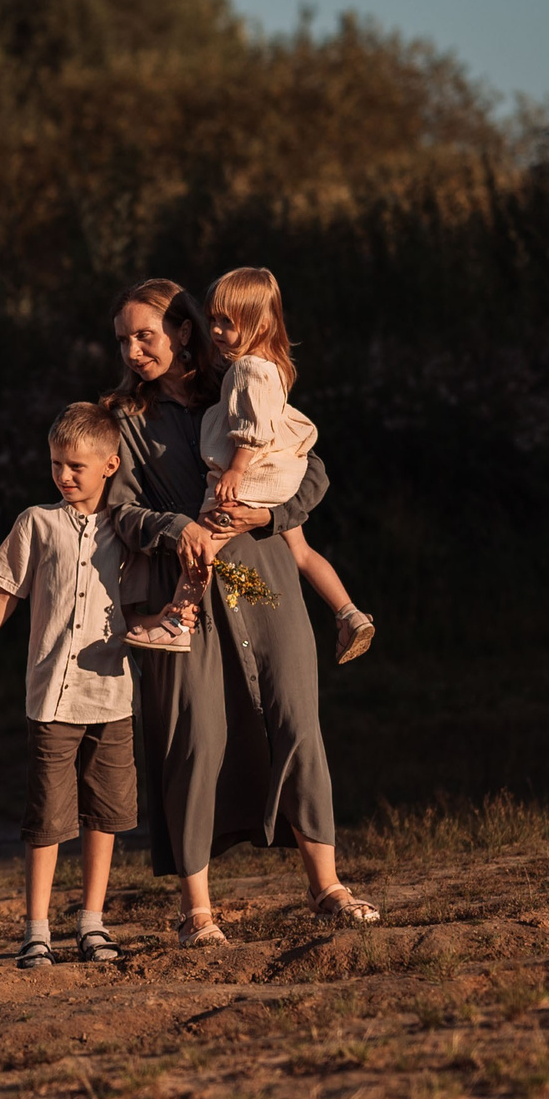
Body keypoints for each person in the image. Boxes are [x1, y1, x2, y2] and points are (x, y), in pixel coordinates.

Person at [99, 278, 382, 945]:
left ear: (184, 330)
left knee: (295, 719)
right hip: (185, 598)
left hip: (260, 580)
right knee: (193, 737)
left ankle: (326, 886)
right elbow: (119, 509)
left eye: (146, 334)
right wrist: (176, 529)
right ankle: (197, 909)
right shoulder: (124, 419)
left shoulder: (242, 383)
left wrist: (269, 513)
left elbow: (309, 470)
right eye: (123, 339)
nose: (134, 349)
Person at [0, 402, 135, 969]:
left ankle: (92, 924)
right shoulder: (36, 523)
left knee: (105, 813)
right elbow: (4, 599)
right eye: (56, 464)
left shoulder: (128, 528)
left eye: (76, 466)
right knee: (48, 816)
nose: (64, 476)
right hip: (51, 698)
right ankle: (37, 931)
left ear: (110, 464)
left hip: (113, 695)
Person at [125, 267, 375, 662]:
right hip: (278, 474)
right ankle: (348, 613)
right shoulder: (270, 364)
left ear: (258, 324)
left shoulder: (246, 370)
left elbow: (251, 430)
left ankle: (176, 623)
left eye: (228, 323)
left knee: (202, 543)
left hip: (253, 476)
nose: (218, 332)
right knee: (302, 551)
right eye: (214, 322)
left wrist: (236, 471)